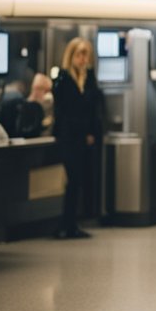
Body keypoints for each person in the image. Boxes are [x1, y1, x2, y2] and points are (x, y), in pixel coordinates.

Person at [52, 38, 105, 239]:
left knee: (78, 182)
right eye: (80, 55)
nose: (83, 60)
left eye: (86, 55)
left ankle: (71, 223)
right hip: (69, 138)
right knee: (72, 180)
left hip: (83, 139)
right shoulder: (64, 80)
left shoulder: (88, 80)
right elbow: (67, 111)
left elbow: (93, 108)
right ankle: (66, 223)